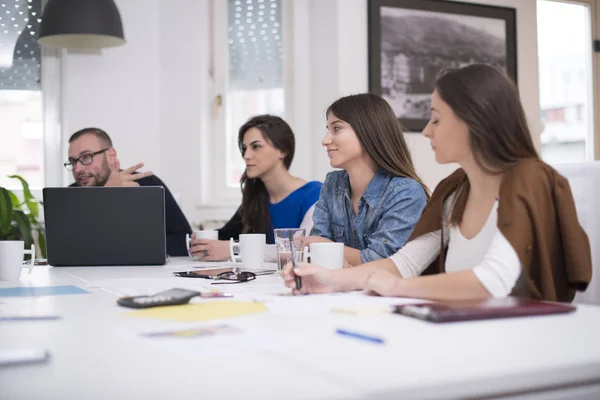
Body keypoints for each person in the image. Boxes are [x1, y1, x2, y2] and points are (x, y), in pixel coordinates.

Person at [283, 64, 592, 302]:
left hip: (515, 335)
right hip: (465, 326)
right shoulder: (455, 189)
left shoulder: (530, 179)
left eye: (436, 119)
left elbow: (493, 280)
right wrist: (328, 280)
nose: (427, 131)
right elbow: (403, 263)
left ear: (474, 120)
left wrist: (399, 288)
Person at [305, 93, 429, 266]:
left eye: (337, 128)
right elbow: (315, 250)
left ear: (368, 131)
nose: (325, 140)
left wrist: (323, 247)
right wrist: (320, 246)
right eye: (327, 129)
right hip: (340, 289)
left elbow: (383, 260)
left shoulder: (406, 192)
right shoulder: (332, 184)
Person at [189, 115, 322, 260]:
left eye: (256, 147)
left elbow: (304, 250)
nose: (246, 155)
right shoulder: (256, 197)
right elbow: (225, 235)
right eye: (244, 148)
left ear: (282, 151)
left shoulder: (314, 195)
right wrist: (200, 242)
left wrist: (235, 249)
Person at [65, 127, 192, 257]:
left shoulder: (147, 184)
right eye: (72, 162)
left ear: (111, 155)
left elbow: (183, 241)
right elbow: (69, 249)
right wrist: (105, 196)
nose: (77, 168)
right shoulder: (68, 196)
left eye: (86, 157)